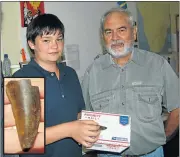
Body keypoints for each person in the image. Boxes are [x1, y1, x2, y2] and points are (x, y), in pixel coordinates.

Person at [81, 7, 179, 157]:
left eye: (121, 30)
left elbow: (177, 108)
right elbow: (83, 115)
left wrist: (163, 137)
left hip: (151, 154)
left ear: (134, 32)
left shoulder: (157, 65)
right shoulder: (92, 72)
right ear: (103, 37)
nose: (115, 37)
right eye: (109, 32)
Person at [11, 13, 101, 157]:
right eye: (46, 40)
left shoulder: (70, 73)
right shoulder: (22, 79)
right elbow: (23, 139)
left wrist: (93, 125)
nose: (55, 45)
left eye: (59, 39)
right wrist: (70, 129)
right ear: (31, 44)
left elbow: (78, 114)